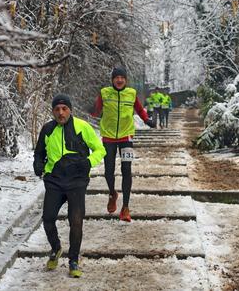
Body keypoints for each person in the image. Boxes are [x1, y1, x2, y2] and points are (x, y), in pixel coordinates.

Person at [33, 94, 106, 278]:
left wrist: (88, 162)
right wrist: (38, 166)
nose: (61, 113)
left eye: (64, 109)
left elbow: (100, 150)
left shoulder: (83, 127)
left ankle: (73, 260)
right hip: (54, 181)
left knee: (76, 221)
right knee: (48, 218)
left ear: (70, 110)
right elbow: (39, 153)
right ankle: (56, 248)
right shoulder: (48, 129)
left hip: (76, 181)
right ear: (53, 112)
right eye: (57, 109)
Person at [91, 67, 155, 222]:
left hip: (126, 137)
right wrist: (88, 111)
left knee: (127, 170)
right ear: (112, 80)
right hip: (108, 137)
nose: (119, 80)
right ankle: (112, 193)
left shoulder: (131, 93)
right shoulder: (105, 93)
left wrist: (147, 120)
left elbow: (140, 110)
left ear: (126, 80)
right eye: (116, 77)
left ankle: (125, 208)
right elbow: (95, 111)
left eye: (122, 78)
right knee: (108, 171)